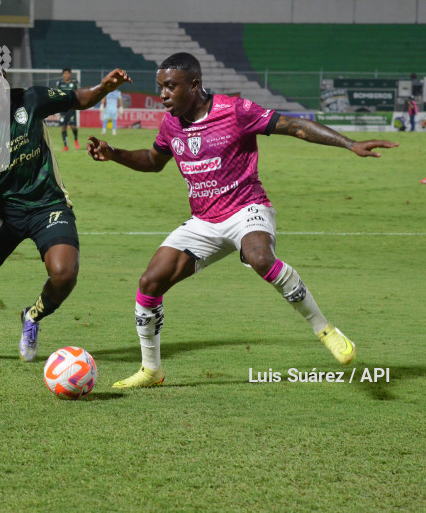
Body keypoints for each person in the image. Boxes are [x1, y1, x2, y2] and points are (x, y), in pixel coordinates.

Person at [86, 52, 398, 388]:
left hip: (246, 208)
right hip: (204, 221)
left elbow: (293, 125)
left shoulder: (234, 111)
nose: (162, 95)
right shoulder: (171, 123)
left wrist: (349, 143)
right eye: (160, 87)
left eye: (169, 87)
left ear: (194, 85)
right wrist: (114, 153)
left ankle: (326, 330)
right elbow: (152, 159)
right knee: (149, 283)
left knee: (260, 257)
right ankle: (151, 371)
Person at [0, 42, 132, 361]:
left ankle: (32, 317)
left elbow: (80, 98)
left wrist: (105, 87)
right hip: (4, 212)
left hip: (48, 205)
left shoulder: (30, 99)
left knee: (64, 273)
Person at [55, 68, 80, 151]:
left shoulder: (74, 83)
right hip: (63, 109)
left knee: (73, 127)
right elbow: (56, 95)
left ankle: (76, 139)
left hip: (72, 108)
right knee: (63, 127)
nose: (66, 75)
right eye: (65, 74)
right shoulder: (60, 84)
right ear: (63, 75)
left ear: (70, 74)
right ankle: (65, 146)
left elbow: (79, 93)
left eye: (68, 73)